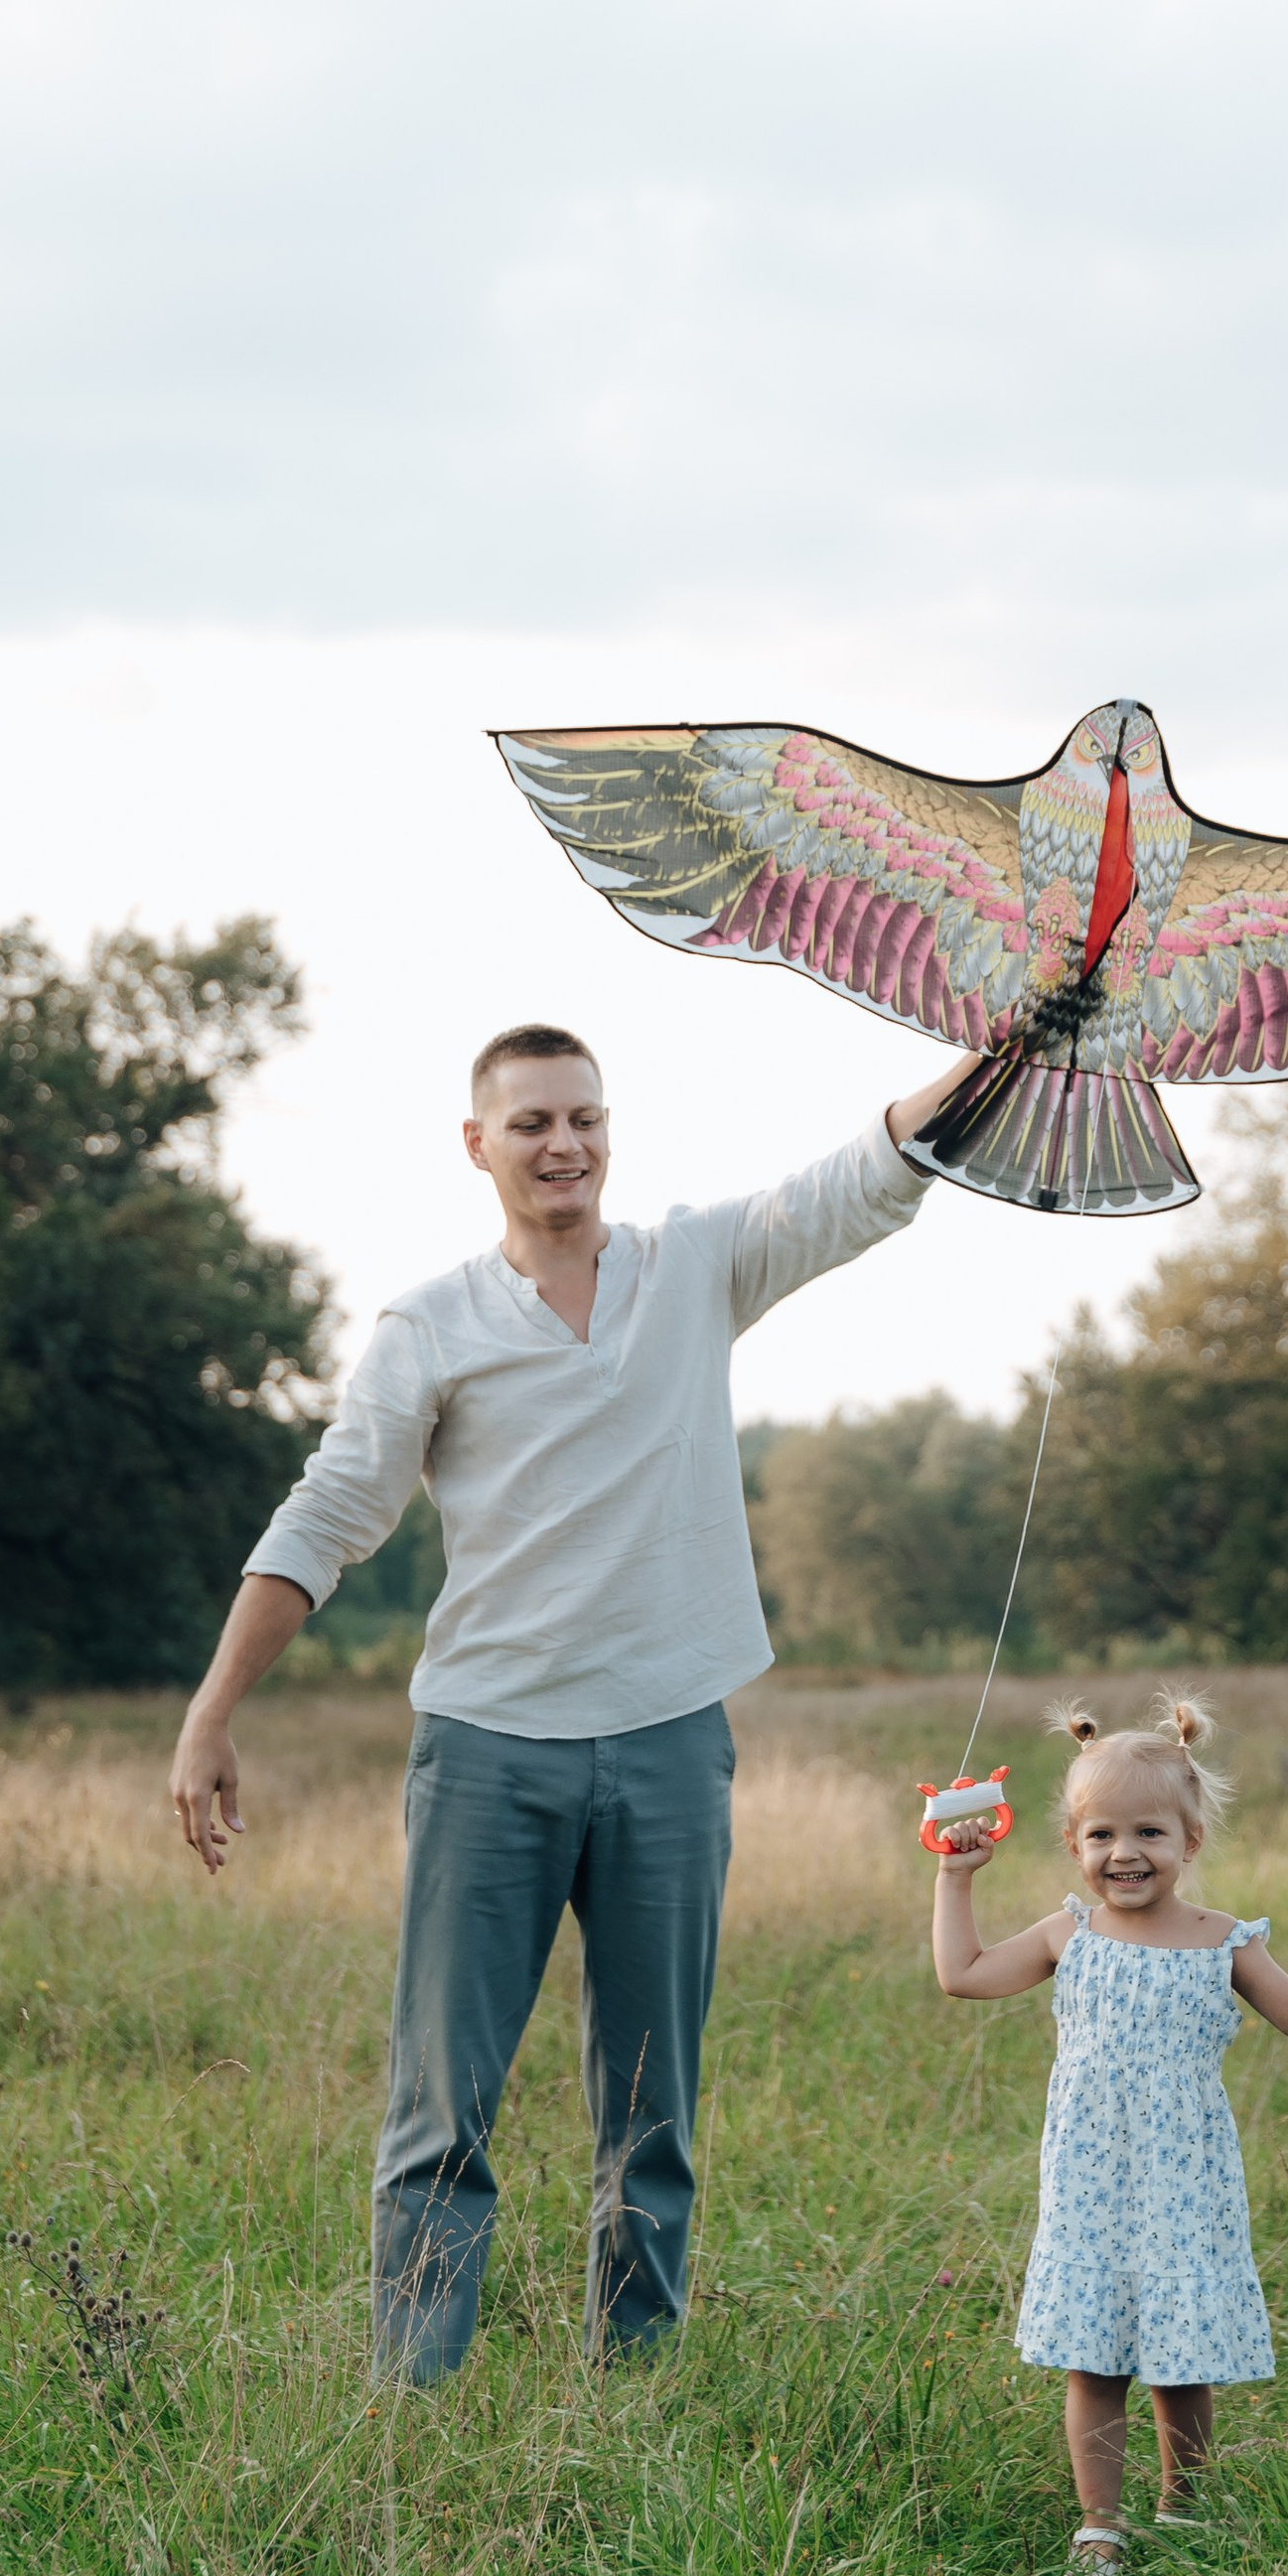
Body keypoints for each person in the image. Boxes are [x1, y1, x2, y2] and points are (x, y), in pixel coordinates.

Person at [169, 1019, 979, 2379]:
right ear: (477, 1145)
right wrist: (211, 1713)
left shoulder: (694, 1268)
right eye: (534, 1122)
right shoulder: (431, 1325)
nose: (566, 1145)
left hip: (669, 1743)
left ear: (611, 1134)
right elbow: (327, 1519)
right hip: (488, 1753)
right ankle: (411, 2398)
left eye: (586, 1119)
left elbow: (859, 1178)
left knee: (654, 2107)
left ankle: (633, 2386)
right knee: (443, 2107)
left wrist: (997, 1049)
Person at [929, 1697, 1288, 2576]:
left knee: (1182, 2360)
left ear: (1190, 1842)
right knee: (1092, 2358)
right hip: (1090, 2178)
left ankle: (1185, 2504)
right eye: (1102, 1834)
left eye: (1149, 1832)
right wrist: (957, 1879)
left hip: (1187, 2180)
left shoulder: (1222, 1941)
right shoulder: (1072, 1934)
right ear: (1073, 1845)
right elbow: (965, 1975)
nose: (1125, 1853)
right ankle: (1099, 2523)